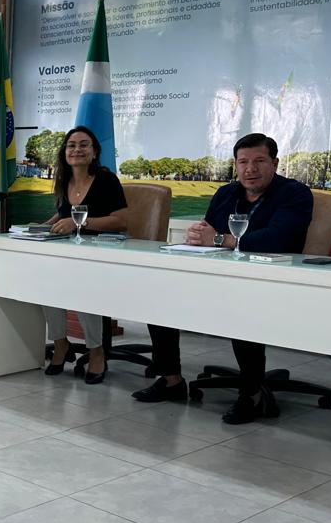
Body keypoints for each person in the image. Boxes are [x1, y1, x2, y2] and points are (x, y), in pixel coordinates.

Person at [132, 133, 312, 424]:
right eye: (243, 162)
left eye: (259, 161)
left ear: (275, 163)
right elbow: (208, 232)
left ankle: (253, 395)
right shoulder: (226, 194)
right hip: (221, 277)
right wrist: (196, 236)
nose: (250, 169)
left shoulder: (295, 194)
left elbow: (279, 238)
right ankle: (171, 379)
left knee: (242, 305)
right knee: (161, 295)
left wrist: (220, 239)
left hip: (272, 281)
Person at [40, 126, 128, 384]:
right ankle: (60, 343)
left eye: (83, 145)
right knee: (44, 284)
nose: (76, 149)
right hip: (70, 253)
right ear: (64, 152)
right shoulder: (63, 180)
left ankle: (96, 351)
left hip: (104, 254)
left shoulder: (106, 180)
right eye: (71, 145)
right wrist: (40, 228)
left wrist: (80, 222)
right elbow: (62, 214)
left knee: (82, 286)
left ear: (94, 152)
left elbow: (121, 221)